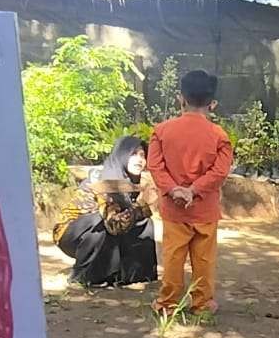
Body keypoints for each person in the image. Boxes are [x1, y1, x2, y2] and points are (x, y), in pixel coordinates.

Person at [148, 69, 234, 315]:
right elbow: (220, 172)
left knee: (173, 257)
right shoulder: (220, 136)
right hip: (205, 209)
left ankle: (168, 304)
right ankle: (202, 304)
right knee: (204, 260)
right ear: (212, 103)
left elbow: (155, 165)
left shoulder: (161, 131)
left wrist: (174, 190)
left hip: (174, 209)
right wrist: (194, 190)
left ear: (180, 98)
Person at [53, 136, 158, 287]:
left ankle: (134, 274)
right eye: (133, 154)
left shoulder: (137, 182)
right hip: (72, 234)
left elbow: (129, 217)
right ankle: (84, 276)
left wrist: (142, 209)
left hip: (106, 227)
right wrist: (142, 206)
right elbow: (114, 226)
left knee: (145, 223)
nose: (139, 159)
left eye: (142, 155)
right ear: (122, 155)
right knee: (99, 221)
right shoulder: (104, 179)